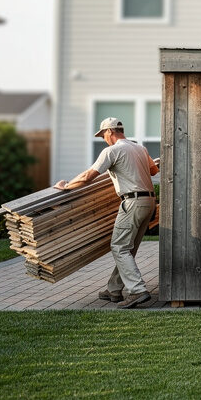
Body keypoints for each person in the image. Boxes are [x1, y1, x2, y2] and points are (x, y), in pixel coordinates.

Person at [55, 117, 160, 309]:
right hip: (150, 201)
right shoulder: (140, 148)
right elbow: (153, 171)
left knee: (119, 247)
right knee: (129, 247)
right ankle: (113, 289)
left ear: (110, 131)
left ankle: (137, 291)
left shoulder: (112, 151)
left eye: (103, 134)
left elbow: (89, 176)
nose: (103, 138)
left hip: (133, 201)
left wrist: (66, 186)